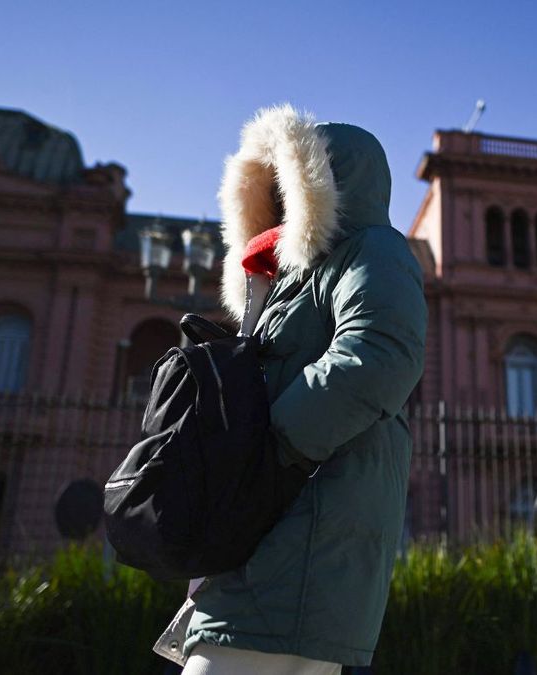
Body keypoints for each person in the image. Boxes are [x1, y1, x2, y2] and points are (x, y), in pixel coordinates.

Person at [172, 104, 426, 673]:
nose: (282, 203)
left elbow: (380, 353)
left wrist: (268, 448)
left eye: (293, 185)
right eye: (274, 189)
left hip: (301, 535)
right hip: (273, 535)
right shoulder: (286, 281)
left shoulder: (372, 250)